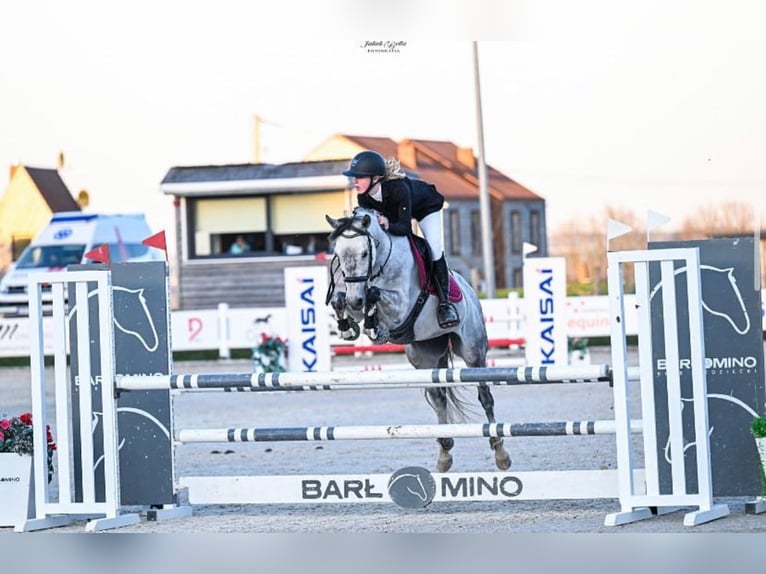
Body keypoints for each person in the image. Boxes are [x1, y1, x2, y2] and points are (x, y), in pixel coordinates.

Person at [342, 150, 459, 328]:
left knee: (434, 249)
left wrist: (388, 225)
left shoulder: (398, 189)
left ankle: (445, 304)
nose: (354, 181)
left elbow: (404, 228)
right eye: (354, 177)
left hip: (426, 208)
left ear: (375, 178)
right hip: (397, 214)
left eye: (359, 177)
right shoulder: (363, 197)